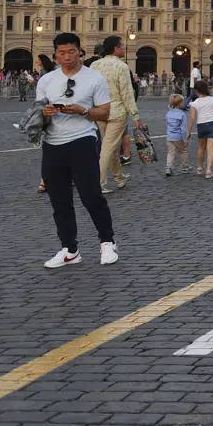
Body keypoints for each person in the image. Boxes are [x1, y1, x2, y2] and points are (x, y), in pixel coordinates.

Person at [37, 32, 118, 268]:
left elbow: (105, 113)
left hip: (82, 141)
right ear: (55, 54)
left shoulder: (94, 79)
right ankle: (69, 249)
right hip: (52, 144)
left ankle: (107, 242)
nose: (67, 57)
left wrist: (82, 111)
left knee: (91, 196)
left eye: (71, 51)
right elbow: (38, 111)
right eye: (61, 53)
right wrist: (44, 113)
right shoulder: (46, 80)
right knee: (59, 200)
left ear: (79, 52)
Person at [90, 36, 142, 194]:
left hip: (100, 111)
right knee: (107, 147)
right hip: (117, 111)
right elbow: (126, 92)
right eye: (122, 46)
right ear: (116, 49)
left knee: (111, 146)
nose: (124, 48)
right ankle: (99, 183)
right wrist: (136, 115)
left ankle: (119, 179)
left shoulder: (94, 65)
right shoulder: (122, 67)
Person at [186, 79, 213, 178]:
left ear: (196, 91)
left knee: (201, 147)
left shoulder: (194, 103)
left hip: (201, 125)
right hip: (212, 123)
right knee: (211, 148)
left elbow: (192, 118)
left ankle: (200, 167)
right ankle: (209, 170)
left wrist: (188, 132)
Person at [163, 93, 188, 177]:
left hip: (170, 137)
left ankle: (168, 167)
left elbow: (167, 124)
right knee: (183, 151)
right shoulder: (182, 114)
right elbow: (183, 129)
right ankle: (185, 166)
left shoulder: (168, 113)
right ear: (180, 103)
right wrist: (185, 139)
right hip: (179, 137)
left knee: (170, 152)